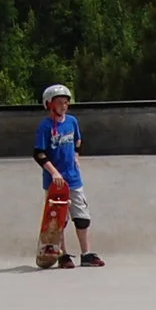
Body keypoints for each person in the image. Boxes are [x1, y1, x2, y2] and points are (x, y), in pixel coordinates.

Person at [33, 85, 102, 268]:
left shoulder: (72, 121)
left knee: (82, 217)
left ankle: (86, 254)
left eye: (66, 103)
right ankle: (62, 255)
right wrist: (54, 172)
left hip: (73, 178)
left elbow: (78, 140)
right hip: (55, 183)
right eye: (59, 103)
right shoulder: (45, 127)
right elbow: (39, 153)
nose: (63, 106)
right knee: (58, 221)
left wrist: (76, 156)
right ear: (49, 104)